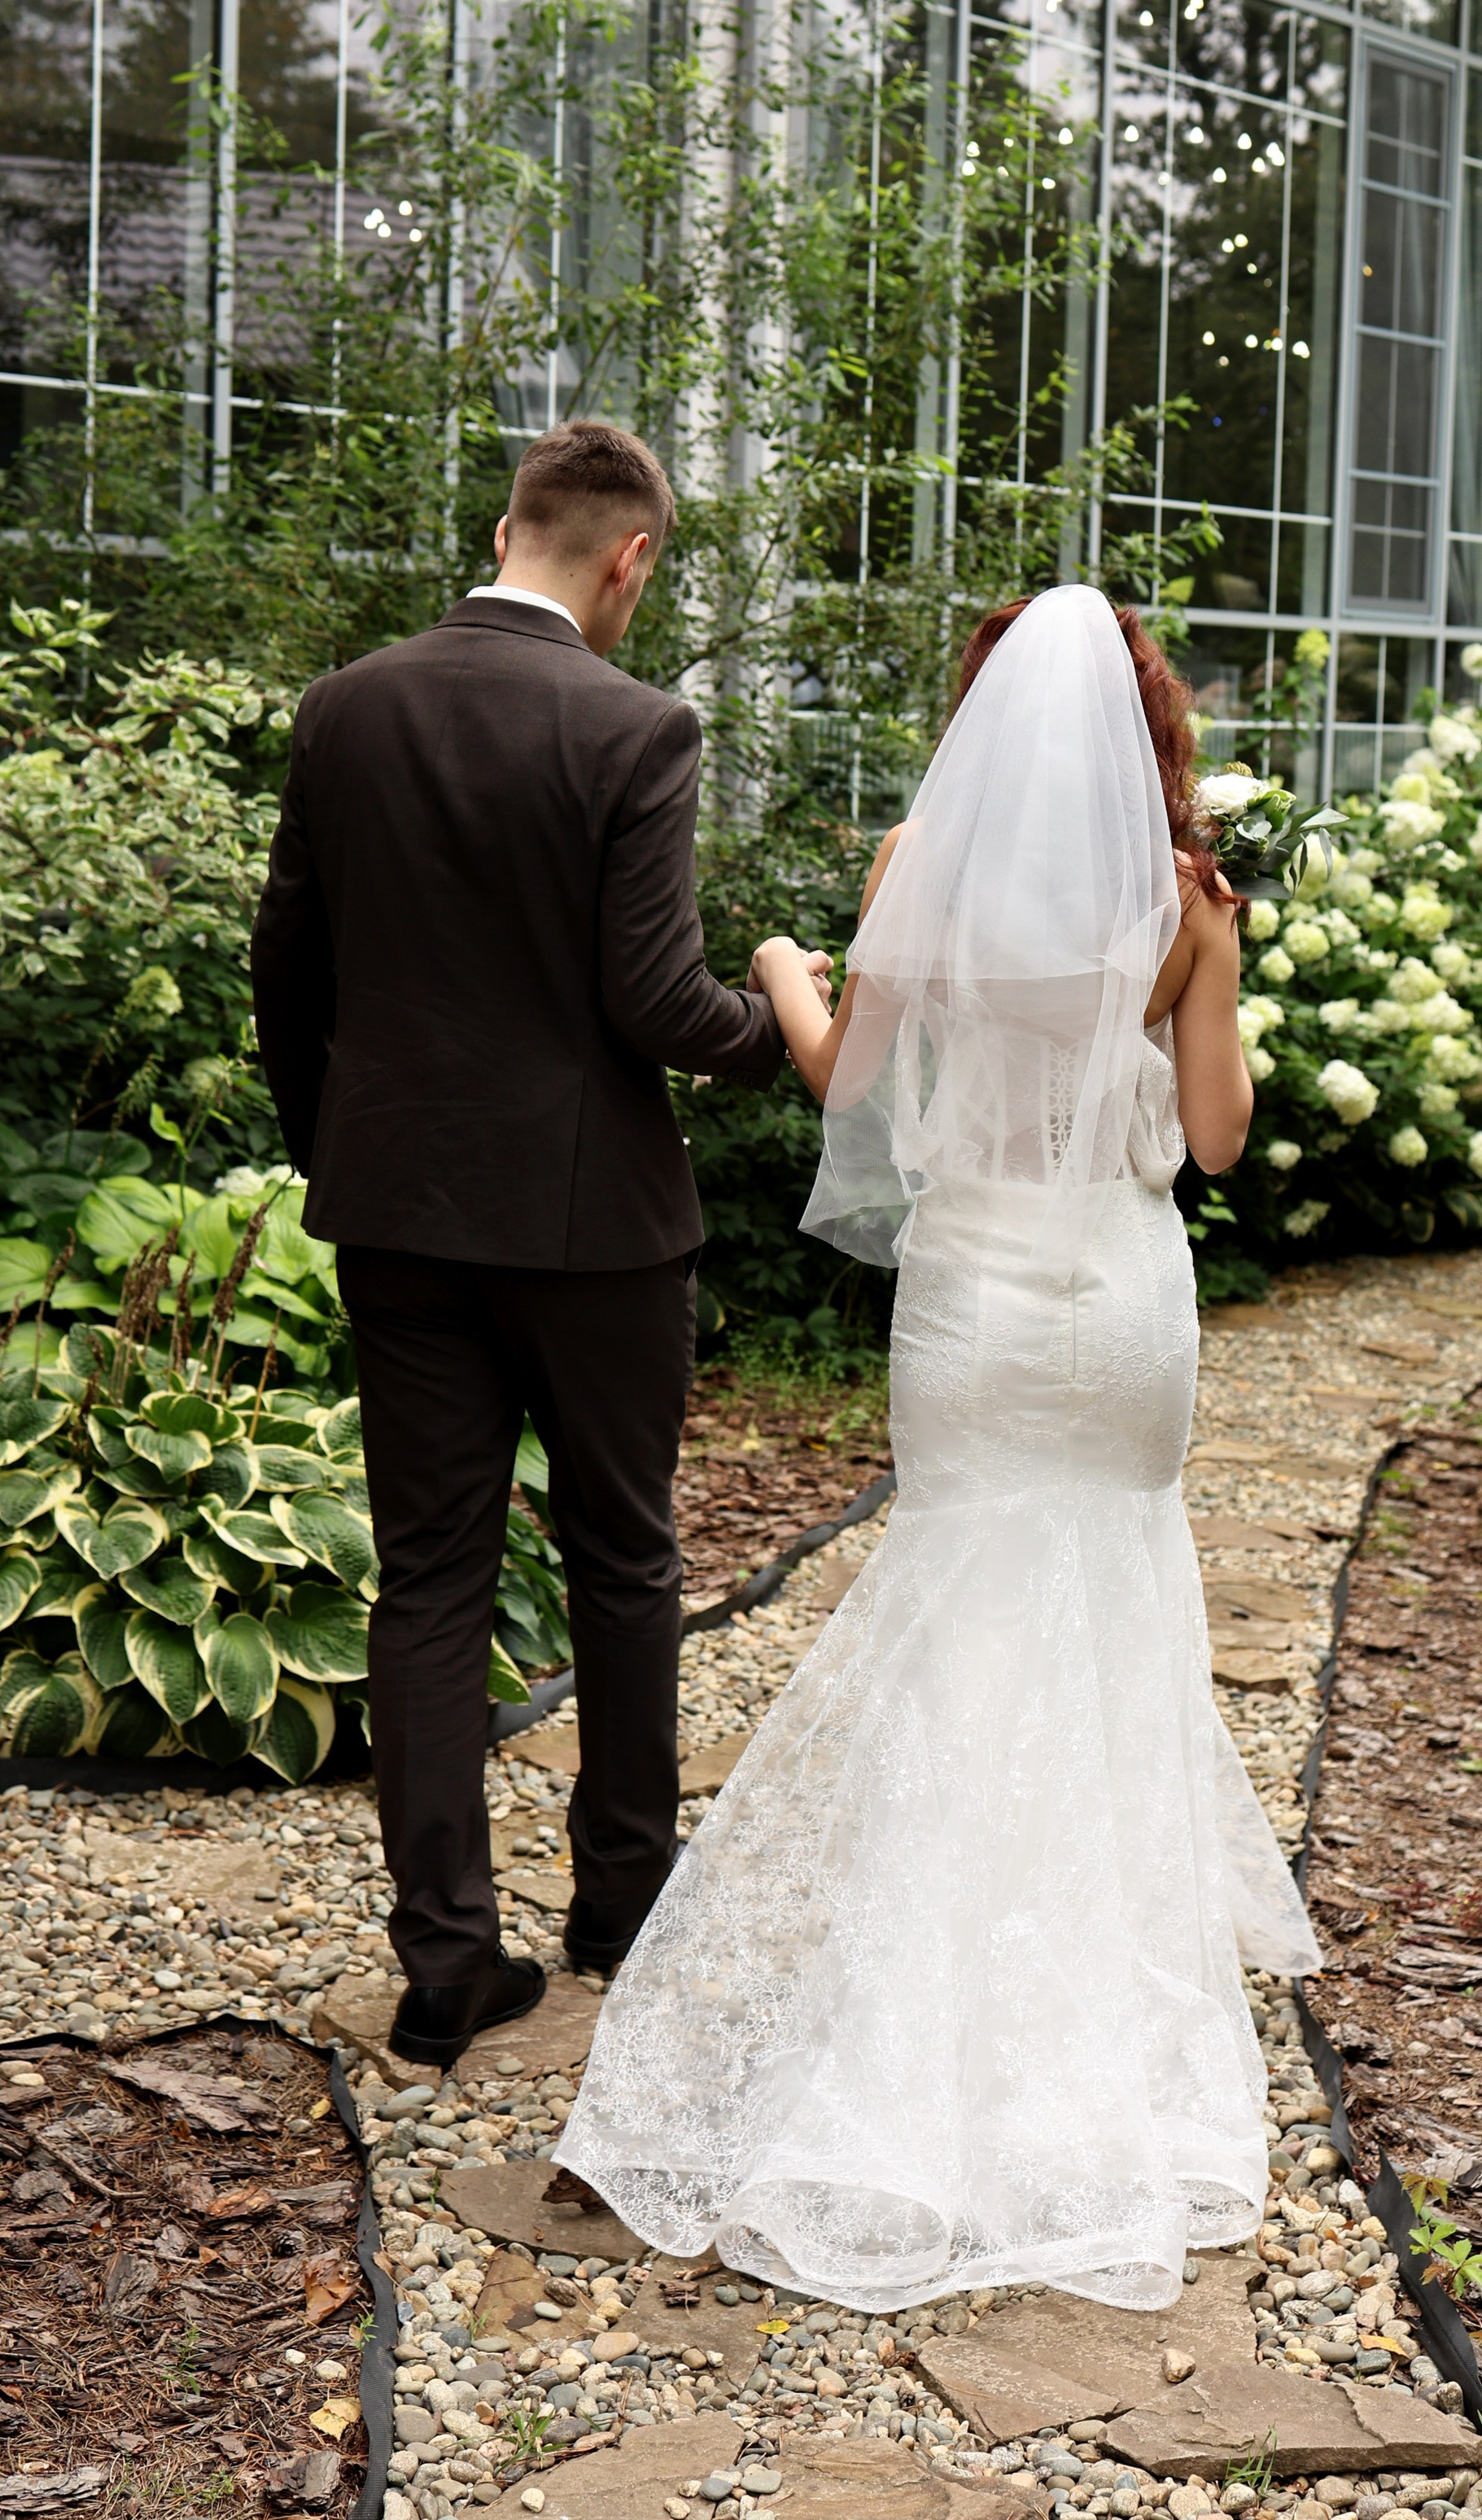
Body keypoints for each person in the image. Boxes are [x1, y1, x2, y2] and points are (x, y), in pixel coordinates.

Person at [554, 584, 1321, 2311]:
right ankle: (1089, 2026)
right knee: (1115, 1619)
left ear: (984, 726)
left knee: (961, 1630)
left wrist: (773, 975)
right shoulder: (1186, 903)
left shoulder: (922, 865)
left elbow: (848, 1093)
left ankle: (921, 2025)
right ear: (1147, 730)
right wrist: (1211, 984)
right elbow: (1210, 1142)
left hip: (973, 1311)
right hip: (1121, 1309)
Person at [250, 417, 802, 2067]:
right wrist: (778, 1021)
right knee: (620, 1556)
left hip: (398, 1214)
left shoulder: (346, 707)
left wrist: (346, 1154)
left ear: (508, 528)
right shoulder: (634, 727)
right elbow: (652, 999)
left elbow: (288, 968)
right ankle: (621, 1904)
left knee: (427, 1575)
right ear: (627, 555)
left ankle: (443, 1960)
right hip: (593, 1231)